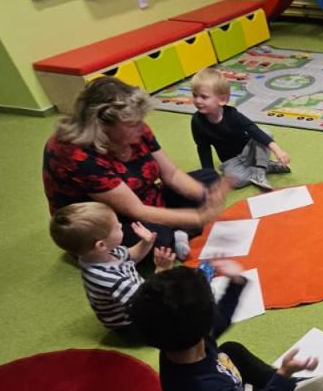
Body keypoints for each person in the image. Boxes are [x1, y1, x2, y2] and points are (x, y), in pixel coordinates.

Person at [128, 263, 323, 391]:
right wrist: (283, 375)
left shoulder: (179, 342)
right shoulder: (202, 388)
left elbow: (220, 320)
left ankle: (277, 386)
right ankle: (278, 387)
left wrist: (235, 284)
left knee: (231, 349)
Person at [42, 77, 228, 258]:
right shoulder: (74, 154)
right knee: (156, 239)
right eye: (132, 125)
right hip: (105, 225)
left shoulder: (136, 128)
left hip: (144, 198)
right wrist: (197, 217)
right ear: (102, 126)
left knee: (209, 178)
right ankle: (178, 231)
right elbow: (136, 210)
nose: (141, 128)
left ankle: (179, 231)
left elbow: (171, 174)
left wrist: (205, 195)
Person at [49, 201, 175, 336]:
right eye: (116, 227)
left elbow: (131, 256)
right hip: (134, 324)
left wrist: (146, 242)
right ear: (101, 245)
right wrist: (161, 270)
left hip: (135, 295)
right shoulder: (110, 280)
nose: (121, 225)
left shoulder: (102, 254)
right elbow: (147, 299)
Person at [188, 67, 290, 191]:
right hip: (231, 160)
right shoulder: (197, 121)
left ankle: (259, 171)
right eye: (195, 95)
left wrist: (278, 150)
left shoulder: (232, 114)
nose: (198, 101)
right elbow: (203, 148)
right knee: (235, 182)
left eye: (204, 97)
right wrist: (209, 176)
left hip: (248, 150)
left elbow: (253, 129)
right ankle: (265, 166)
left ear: (222, 100)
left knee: (265, 133)